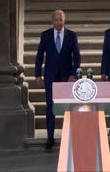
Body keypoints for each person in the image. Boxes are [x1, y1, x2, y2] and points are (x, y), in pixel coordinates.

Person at [35, 10, 81, 150]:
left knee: (68, 107)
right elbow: (39, 56)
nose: (58, 22)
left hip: (67, 77)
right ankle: (50, 137)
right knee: (51, 107)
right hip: (50, 76)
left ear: (64, 21)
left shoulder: (71, 35)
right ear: (52, 21)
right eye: (56, 20)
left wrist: (74, 74)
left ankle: (70, 137)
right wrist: (38, 74)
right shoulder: (46, 35)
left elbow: (77, 57)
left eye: (61, 20)